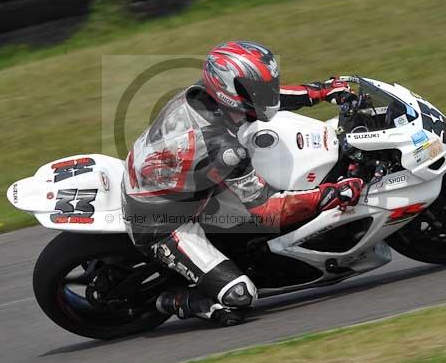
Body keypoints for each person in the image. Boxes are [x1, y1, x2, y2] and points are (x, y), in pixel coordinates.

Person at [122, 41, 364, 325]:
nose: (268, 92)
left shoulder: (205, 93)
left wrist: (320, 91)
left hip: (172, 182)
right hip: (162, 223)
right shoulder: (222, 148)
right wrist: (332, 194)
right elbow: (268, 210)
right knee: (239, 298)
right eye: (259, 88)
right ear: (230, 89)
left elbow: (268, 100)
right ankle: (170, 301)